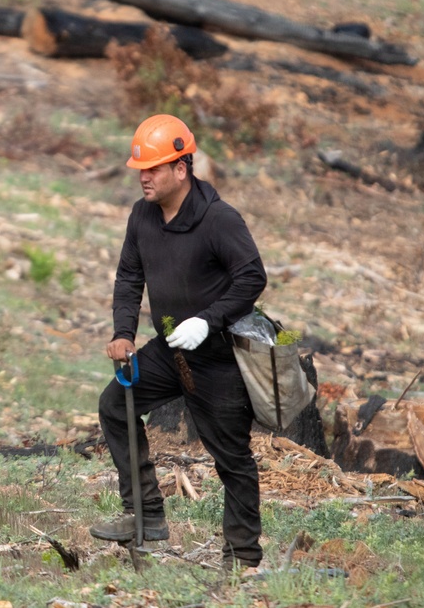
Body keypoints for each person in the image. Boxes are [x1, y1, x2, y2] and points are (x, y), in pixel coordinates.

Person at [90, 114, 268, 570]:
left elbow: (252, 278)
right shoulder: (142, 216)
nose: (143, 177)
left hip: (219, 358)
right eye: (140, 169)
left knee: (231, 458)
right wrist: (123, 332)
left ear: (181, 168)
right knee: (116, 404)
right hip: (170, 351)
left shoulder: (219, 220)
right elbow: (129, 276)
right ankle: (145, 515)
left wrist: (208, 321)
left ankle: (242, 559)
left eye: (153, 169)